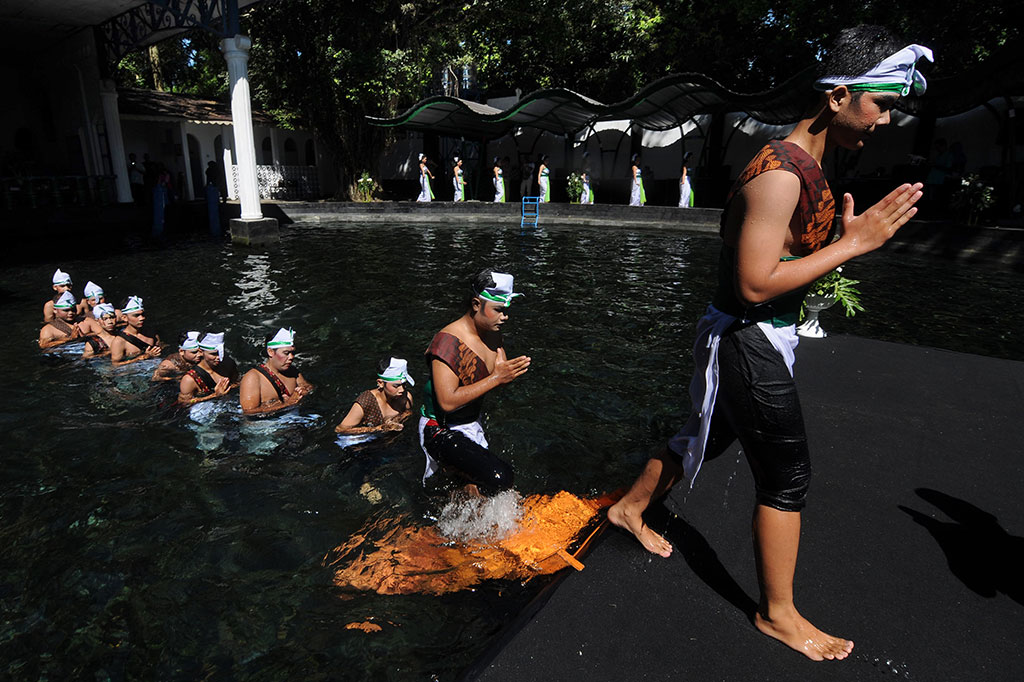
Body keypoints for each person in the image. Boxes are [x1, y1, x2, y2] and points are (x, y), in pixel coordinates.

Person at [607, 27, 931, 662]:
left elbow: (782, 261)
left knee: (709, 436)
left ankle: (628, 510)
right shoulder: (780, 174)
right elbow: (755, 284)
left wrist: (833, 245)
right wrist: (853, 244)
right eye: (880, 104)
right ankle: (777, 615)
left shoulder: (811, 160)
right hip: (746, 340)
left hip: (754, 336)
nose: (886, 121)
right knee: (787, 476)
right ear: (839, 96)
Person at [418, 270, 531, 495]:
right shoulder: (449, 342)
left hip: (470, 422)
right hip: (439, 429)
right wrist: (497, 378)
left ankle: (458, 496)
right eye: (498, 310)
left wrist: (503, 376)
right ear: (476, 304)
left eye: (506, 311)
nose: (504, 317)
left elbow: (495, 378)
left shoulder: (493, 333)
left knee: (487, 484)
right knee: (500, 478)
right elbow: (447, 402)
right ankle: (451, 499)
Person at [239, 328, 313, 414]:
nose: (291, 357)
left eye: (293, 353)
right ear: (270, 352)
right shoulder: (253, 378)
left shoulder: (292, 372)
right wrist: (287, 404)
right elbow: (249, 412)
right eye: (286, 353)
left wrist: (304, 391)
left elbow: (307, 386)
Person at [335, 357, 415, 435]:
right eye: (396, 386)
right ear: (381, 383)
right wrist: (379, 428)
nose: (402, 390)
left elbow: (408, 412)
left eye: (404, 385)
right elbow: (340, 429)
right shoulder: (365, 403)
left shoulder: (406, 398)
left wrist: (396, 420)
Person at [178, 332, 240, 405]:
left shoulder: (228, 363)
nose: (219, 358)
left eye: (221, 353)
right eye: (214, 354)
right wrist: (214, 396)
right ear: (201, 352)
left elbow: (237, 382)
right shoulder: (190, 379)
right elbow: (184, 402)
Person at [110, 295, 162, 365]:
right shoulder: (119, 342)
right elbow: (115, 365)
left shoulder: (151, 333)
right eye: (136, 315)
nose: (142, 318)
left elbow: (161, 346)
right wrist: (142, 358)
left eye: (143, 314)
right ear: (124, 318)